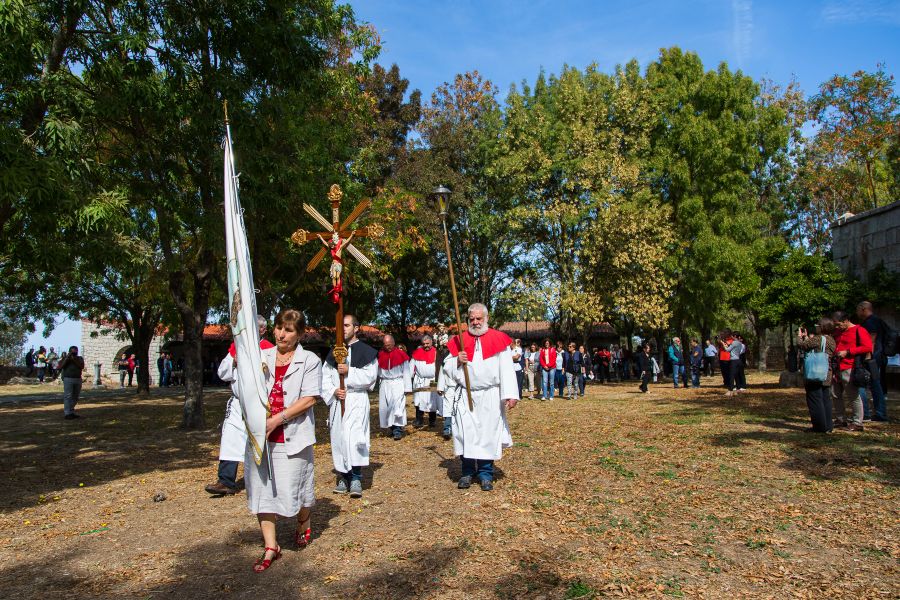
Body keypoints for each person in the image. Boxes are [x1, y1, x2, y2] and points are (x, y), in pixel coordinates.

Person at [245, 308, 322, 572]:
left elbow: (310, 398)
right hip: (261, 437)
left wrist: (277, 420)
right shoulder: (261, 356)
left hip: (293, 435)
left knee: (295, 489)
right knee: (262, 490)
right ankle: (270, 546)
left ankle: (304, 519)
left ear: (299, 334)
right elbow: (245, 386)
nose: (281, 334)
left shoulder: (310, 360)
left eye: (288, 330)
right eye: (279, 328)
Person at [444, 303, 518, 491]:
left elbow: (506, 369)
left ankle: (486, 474)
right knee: (465, 433)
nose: (475, 322)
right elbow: (447, 368)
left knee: (487, 434)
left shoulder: (499, 339)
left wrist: (510, 394)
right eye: (472, 319)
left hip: (490, 395)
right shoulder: (460, 339)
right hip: (465, 394)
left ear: (486, 319)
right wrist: (457, 362)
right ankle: (467, 472)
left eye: (479, 319)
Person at [205, 316, 274, 496]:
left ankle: (264, 479)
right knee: (230, 439)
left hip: (258, 404)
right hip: (238, 403)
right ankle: (225, 481)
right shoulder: (236, 348)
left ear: (262, 331)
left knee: (260, 439)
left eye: (254, 328)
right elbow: (222, 373)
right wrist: (234, 360)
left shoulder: (268, 349)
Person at [322, 314, 378, 498]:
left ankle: (355, 477)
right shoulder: (334, 352)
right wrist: (333, 391)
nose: (343, 329)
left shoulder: (366, 351)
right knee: (338, 439)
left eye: (346, 325)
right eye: (340, 326)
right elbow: (324, 378)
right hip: (339, 401)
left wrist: (349, 372)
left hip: (356, 400)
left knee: (355, 438)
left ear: (356, 328)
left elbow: (371, 378)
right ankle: (342, 476)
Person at [831, 311, 872, 431]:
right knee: (835, 393)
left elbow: (868, 347)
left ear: (846, 320)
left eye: (839, 324)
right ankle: (840, 419)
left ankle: (857, 422)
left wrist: (848, 352)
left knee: (853, 395)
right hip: (837, 367)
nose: (837, 327)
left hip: (850, 366)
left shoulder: (859, 330)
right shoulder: (838, 332)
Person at [797, 318, 836, 433]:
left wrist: (800, 336)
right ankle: (828, 425)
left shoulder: (818, 339)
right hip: (826, 372)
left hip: (815, 372)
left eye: (817, 325)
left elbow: (802, 345)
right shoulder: (831, 340)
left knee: (815, 399)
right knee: (825, 400)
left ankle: (819, 426)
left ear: (822, 327)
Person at [856, 301, 888, 421]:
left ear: (863, 309)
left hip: (872, 359)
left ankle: (879, 413)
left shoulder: (871, 322)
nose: (857, 312)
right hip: (876, 357)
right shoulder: (876, 320)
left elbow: (871, 341)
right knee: (875, 385)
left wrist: (868, 358)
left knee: (875, 385)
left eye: (858, 310)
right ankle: (879, 413)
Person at [378, 334, 412, 440]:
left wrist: (407, 387)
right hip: (385, 383)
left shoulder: (401, 354)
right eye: (385, 345)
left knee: (397, 406)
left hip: (397, 383)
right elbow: (378, 371)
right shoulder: (380, 354)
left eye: (389, 344)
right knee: (386, 408)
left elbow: (406, 372)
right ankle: (392, 428)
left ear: (393, 343)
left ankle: (398, 430)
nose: (387, 347)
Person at [411, 334, 441, 428]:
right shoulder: (417, 352)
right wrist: (409, 378)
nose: (426, 345)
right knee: (419, 400)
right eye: (424, 344)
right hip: (420, 380)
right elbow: (411, 366)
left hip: (432, 380)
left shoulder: (437, 352)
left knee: (432, 400)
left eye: (427, 343)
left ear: (431, 342)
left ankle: (432, 421)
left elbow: (440, 366)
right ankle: (419, 420)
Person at [59, 346, 85, 419]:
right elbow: (60, 366)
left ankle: (71, 411)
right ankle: (67, 413)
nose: (74, 353)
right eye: (72, 352)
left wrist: (74, 360)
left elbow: (81, 366)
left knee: (75, 397)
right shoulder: (66, 359)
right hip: (68, 379)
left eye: (75, 351)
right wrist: (67, 358)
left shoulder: (79, 358)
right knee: (68, 396)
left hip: (77, 378)